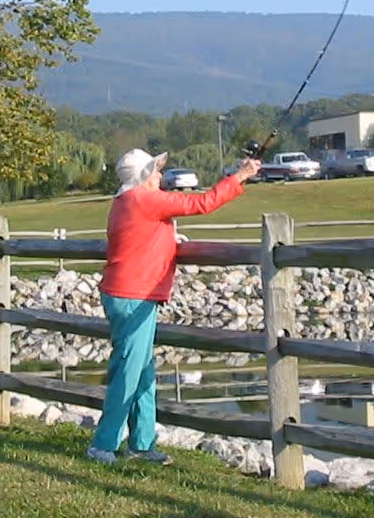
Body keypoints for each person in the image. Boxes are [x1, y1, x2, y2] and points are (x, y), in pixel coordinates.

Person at [87, 147, 262, 465]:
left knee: (141, 372)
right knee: (128, 373)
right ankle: (103, 445)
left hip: (128, 293)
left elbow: (144, 237)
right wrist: (240, 176)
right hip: (133, 295)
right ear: (142, 177)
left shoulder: (125, 201)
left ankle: (141, 444)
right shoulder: (144, 199)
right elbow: (202, 203)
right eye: (154, 170)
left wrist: (169, 241)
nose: (160, 175)